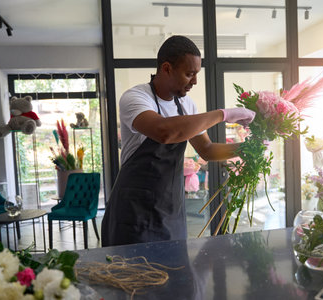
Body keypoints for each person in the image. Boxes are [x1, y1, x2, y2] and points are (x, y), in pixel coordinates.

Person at [101, 35, 255, 247]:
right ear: (166, 68)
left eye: (196, 74)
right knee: (132, 276)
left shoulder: (186, 105)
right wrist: (224, 114)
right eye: (189, 74)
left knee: (175, 274)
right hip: (133, 212)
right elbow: (164, 132)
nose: (195, 81)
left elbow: (207, 150)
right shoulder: (136, 98)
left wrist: (247, 149)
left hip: (170, 211)